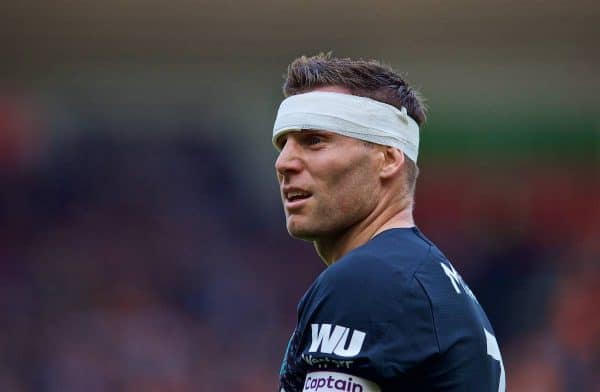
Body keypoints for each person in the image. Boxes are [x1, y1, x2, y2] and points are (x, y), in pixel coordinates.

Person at [271, 53, 505, 392]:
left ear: (388, 159)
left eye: (314, 141)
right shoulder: (424, 279)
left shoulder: (367, 280)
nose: (284, 162)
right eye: (283, 144)